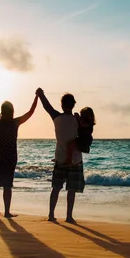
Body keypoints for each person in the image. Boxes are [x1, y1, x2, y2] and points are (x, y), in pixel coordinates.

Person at [35, 87, 84, 224]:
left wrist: (41, 94)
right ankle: (69, 216)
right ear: (74, 105)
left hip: (60, 158)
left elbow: (47, 106)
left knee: (56, 188)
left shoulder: (57, 117)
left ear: (62, 105)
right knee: (71, 190)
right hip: (75, 160)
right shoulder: (77, 120)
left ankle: (51, 214)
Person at [0, 95, 38, 217]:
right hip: (9, 158)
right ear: (12, 112)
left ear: (1, 111)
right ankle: (6, 212)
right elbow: (30, 112)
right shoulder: (15, 123)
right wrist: (36, 97)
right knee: (7, 185)